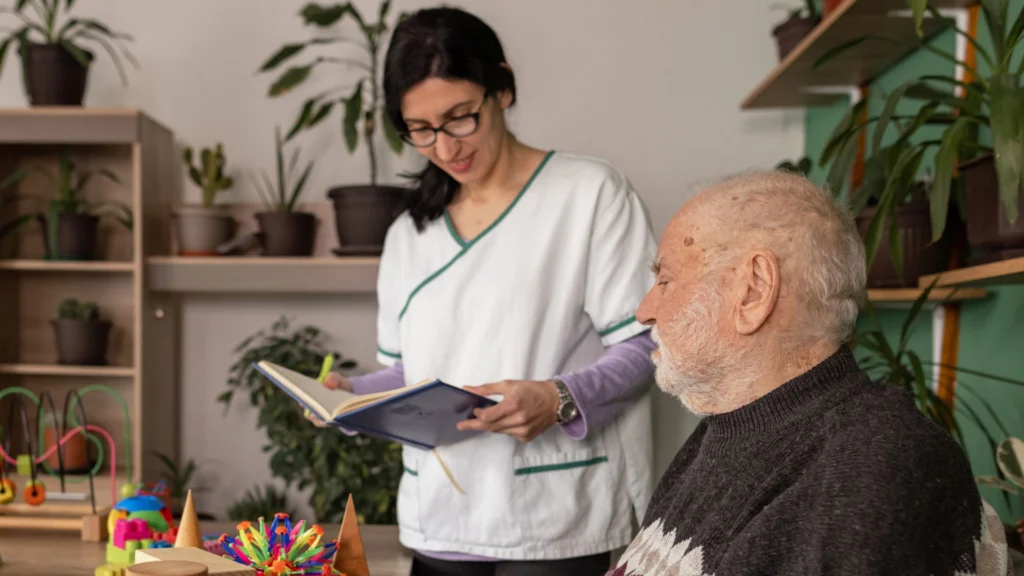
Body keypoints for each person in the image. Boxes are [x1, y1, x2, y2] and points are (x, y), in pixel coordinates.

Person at [308, 6, 659, 575]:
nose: (445, 148)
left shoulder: (588, 194)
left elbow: (648, 345)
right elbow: (410, 377)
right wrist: (350, 398)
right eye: (420, 129)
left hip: (555, 516)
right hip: (440, 515)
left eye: (459, 118)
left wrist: (560, 398)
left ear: (503, 89)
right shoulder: (408, 233)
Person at [607, 170, 1011, 576]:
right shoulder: (729, 427)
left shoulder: (869, 472)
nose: (645, 311)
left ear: (753, 291)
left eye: (665, 279)